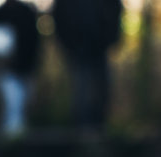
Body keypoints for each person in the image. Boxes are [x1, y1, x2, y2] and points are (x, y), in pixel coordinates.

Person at [51, 0, 123, 128]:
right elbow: (58, 17)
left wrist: (111, 39)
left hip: (100, 49)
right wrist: (69, 44)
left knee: (102, 90)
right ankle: (82, 131)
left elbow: (115, 10)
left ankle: (99, 129)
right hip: (77, 50)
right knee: (81, 92)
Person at [0, 0, 41, 137]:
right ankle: (9, 137)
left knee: (20, 104)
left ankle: (14, 137)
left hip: (22, 67)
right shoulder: (1, 13)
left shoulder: (20, 12)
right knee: (12, 104)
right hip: (10, 69)